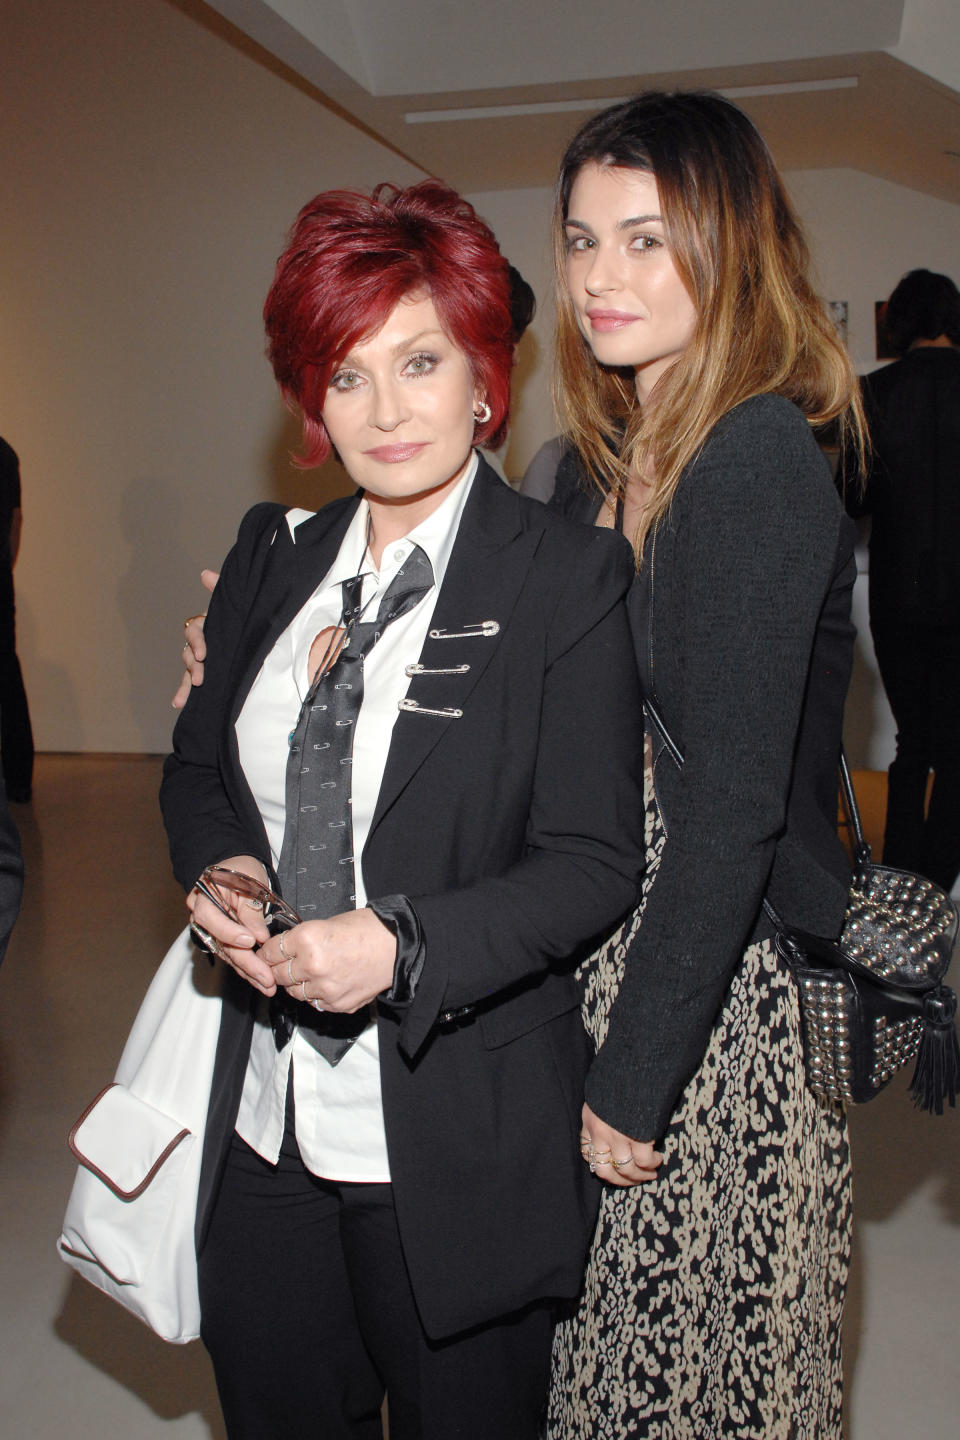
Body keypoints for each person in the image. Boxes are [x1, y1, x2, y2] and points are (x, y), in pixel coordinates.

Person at [160, 179, 646, 1440]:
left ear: (486, 373)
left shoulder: (567, 578)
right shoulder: (274, 556)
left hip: (451, 1138)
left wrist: (402, 943)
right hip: (263, 1133)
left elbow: (592, 860)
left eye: (419, 361)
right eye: (348, 372)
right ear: (311, 399)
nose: (386, 410)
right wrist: (227, 870)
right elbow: (201, 766)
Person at [542, 92, 865, 1439]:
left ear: (728, 249)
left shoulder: (756, 460)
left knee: (704, 1373)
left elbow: (729, 812)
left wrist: (634, 1071)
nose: (603, 277)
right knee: (603, 1358)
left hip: (712, 1004)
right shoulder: (591, 464)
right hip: (607, 946)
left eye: (646, 240)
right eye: (581, 239)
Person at [854, 269, 960, 891]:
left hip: (897, 593)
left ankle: (894, 876)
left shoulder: (873, 393)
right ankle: (939, 879)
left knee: (911, 740)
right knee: (955, 747)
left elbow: (853, 498)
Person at [0, 438, 34, 803]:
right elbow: (15, 519)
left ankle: (19, 777)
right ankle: (19, 779)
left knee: (7, 674)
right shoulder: (6, 452)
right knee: (7, 673)